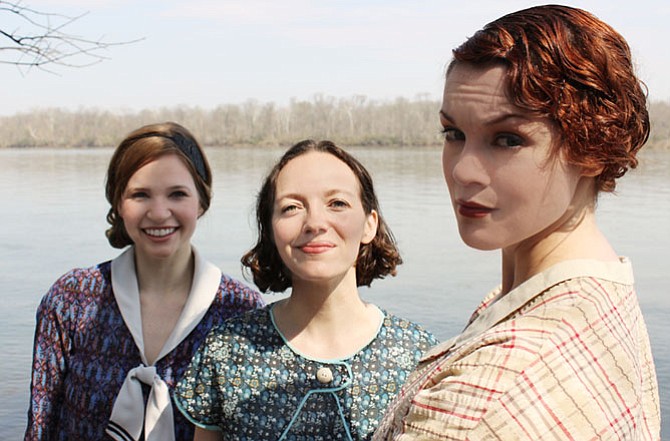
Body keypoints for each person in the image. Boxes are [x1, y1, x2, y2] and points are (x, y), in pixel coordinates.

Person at [374, 5, 660, 440]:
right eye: (453, 134)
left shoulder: (490, 394)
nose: (462, 171)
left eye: (507, 139)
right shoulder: (601, 292)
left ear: (592, 148)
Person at [174, 140, 438, 440]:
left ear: (369, 224)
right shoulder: (227, 350)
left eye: (337, 203)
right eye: (291, 207)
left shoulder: (420, 357)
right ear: (271, 230)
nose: (315, 223)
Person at [24, 122, 265, 441]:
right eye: (140, 195)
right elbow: (41, 426)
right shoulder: (71, 298)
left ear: (202, 202)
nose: (159, 212)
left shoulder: (240, 311)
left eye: (177, 194)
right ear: (118, 204)